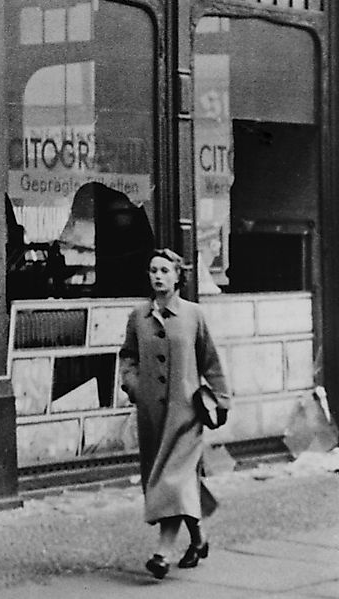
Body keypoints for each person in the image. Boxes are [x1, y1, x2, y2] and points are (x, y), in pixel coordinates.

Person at [119, 247, 230, 579]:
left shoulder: (194, 315)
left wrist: (221, 399)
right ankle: (199, 539)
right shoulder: (137, 316)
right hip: (152, 415)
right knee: (174, 480)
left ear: (178, 276)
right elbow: (127, 358)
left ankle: (162, 553)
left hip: (186, 415)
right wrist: (134, 387)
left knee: (171, 479)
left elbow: (210, 361)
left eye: (165, 270)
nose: (157, 276)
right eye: (153, 269)